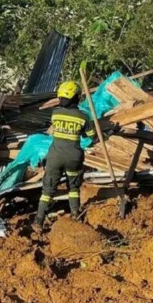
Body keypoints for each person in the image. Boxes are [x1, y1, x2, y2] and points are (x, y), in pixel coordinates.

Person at [34, 81, 92, 229]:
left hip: (55, 157)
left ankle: (38, 222)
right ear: (76, 97)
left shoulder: (55, 114)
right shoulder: (83, 117)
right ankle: (75, 215)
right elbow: (91, 136)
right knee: (73, 187)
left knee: (48, 191)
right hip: (74, 158)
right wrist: (109, 132)